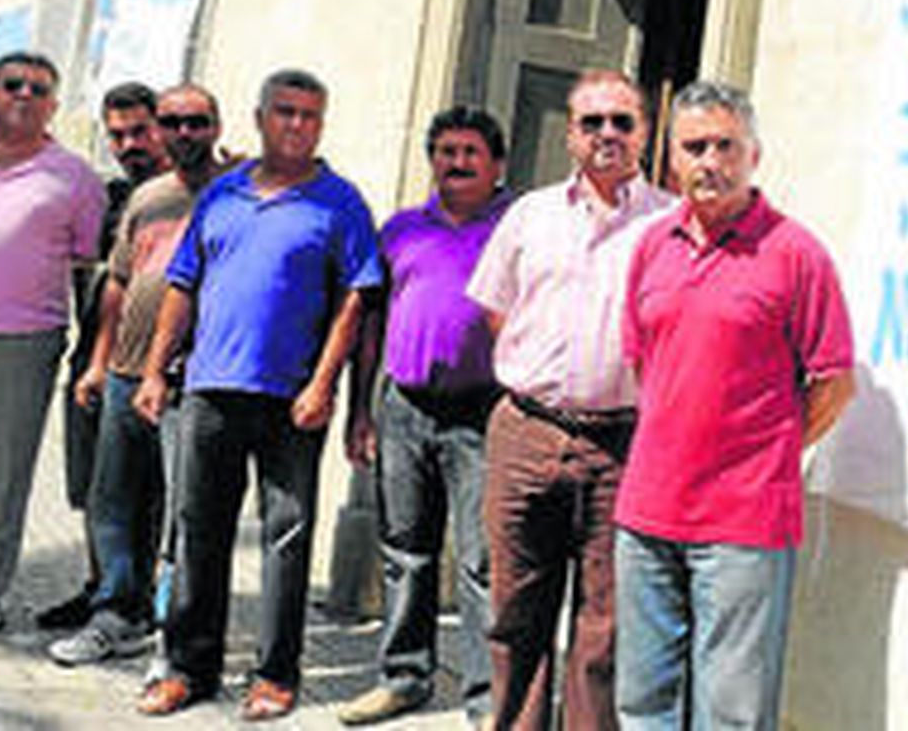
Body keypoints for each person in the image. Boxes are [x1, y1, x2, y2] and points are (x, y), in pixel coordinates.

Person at [131, 68, 381, 720]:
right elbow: (183, 283)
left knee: (286, 537)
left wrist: (326, 385)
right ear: (260, 117)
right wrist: (157, 371)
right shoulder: (222, 196)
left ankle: (275, 674)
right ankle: (189, 667)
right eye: (286, 112)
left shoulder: (341, 202)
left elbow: (356, 302)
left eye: (310, 115)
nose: (298, 124)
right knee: (198, 532)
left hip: (291, 398)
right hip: (211, 388)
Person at [613, 81, 856, 730]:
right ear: (671, 160)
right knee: (642, 704)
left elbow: (834, 382)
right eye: (694, 147)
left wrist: (764, 449)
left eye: (726, 145)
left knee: (732, 712)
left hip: (744, 522)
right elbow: (646, 363)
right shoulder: (650, 246)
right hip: (646, 511)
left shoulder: (797, 254)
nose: (709, 161)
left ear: (755, 155)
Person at [465, 69, 672, 730]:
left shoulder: (671, 223)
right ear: (570, 135)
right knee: (515, 609)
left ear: (644, 132)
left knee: (605, 623)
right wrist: (547, 376)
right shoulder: (529, 214)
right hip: (525, 432)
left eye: (622, 121)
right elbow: (496, 310)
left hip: (622, 442)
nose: (607, 134)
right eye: (592, 122)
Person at [337, 107, 514, 726]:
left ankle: (489, 700)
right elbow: (370, 321)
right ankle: (404, 676)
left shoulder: (518, 227)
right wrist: (361, 409)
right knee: (406, 550)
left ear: (497, 166)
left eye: (470, 152)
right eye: (445, 151)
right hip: (404, 408)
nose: (456, 163)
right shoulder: (401, 229)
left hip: (483, 414)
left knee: (480, 561)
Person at [48, 83, 231, 666]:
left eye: (193, 122)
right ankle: (114, 614)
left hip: (190, 379)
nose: (181, 134)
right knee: (111, 500)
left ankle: (173, 630)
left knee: (183, 511)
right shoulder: (145, 198)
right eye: (172, 123)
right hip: (124, 372)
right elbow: (118, 285)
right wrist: (99, 363)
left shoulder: (237, 194)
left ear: (216, 126)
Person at [0, 51, 105, 634]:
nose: (24, 93)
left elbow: (87, 265)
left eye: (38, 88)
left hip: (20, 342)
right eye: (11, 83)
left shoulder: (74, 178)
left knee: (1, 475)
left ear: (53, 105)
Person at [40, 80, 170, 632]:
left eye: (139, 131)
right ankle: (101, 588)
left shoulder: (194, 191)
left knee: (143, 495)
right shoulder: (108, 198)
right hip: (93, 361)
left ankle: (133, 603)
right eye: (117, 135)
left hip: (157, 371)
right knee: (94, 488)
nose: (129, 144)